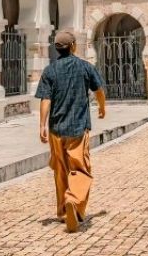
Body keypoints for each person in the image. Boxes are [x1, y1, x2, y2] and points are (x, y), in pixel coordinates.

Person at [35, 30, 106, 233]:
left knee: (60, 170)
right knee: (80, 169)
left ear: (57, 49)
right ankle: (73, 202)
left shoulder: (50, 71)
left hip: (56, 129)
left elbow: (45, 99)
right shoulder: (85, 67)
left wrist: (42, 125)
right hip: (77, 128)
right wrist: (102, 106)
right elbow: (99, 90)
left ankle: (63, 212)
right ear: (73, 46)